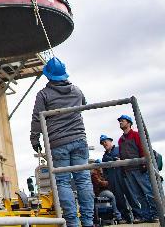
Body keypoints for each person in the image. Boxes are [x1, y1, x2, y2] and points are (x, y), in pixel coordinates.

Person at [30, 57, 94, 227]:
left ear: (48, 76)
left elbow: (37, 118)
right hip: (80, 140)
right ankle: (88, 222)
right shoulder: (77, 91)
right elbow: (84, 103)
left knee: (63, 182)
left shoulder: (43, 94)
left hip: (58, 143)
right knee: (84, 180)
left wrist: (34, 138)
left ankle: (72, 223)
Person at [117, 114, 159, 222]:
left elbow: (142, 149)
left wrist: (144, 164)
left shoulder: (136, 135)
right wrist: (123, 169)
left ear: (129, 123)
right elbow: (122, 155)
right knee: (138, 195)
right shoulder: (120, 140)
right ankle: (146, 216)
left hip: (140, 169)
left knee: (148, 192)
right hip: (129, 170)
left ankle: (156, 214)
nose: (121, 122)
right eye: (120, 121)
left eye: (123, 121)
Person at [100, 134, 141, 223]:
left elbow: (127, 159)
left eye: (105, 141)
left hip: (123, 176)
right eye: (102, 143)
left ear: (110, 141)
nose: (104, 144)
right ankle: (125, 218)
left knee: (131, 196)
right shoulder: (104, 157)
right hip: (113, 180)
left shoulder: (119, 149)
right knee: (119, 199)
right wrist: (108, 178)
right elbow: (104, 170)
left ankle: (138, 215)